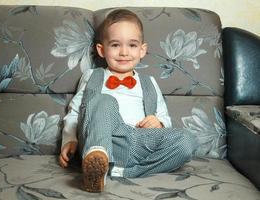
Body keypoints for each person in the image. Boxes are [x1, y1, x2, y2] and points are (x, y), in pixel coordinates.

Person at [59, 9, 197, 193]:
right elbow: (76, 112)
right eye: (115, 45)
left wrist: (159, 122)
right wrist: (70, 140)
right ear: (101, 50)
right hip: (102, 136)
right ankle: (97, 156)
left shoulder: (149, 82)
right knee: (102, 101)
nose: (124, 52)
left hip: (139, 140)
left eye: (132, 45)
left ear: (142, 50)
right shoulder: (92, 76)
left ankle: (118, 171)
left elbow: (165, 117)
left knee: (188, 141)